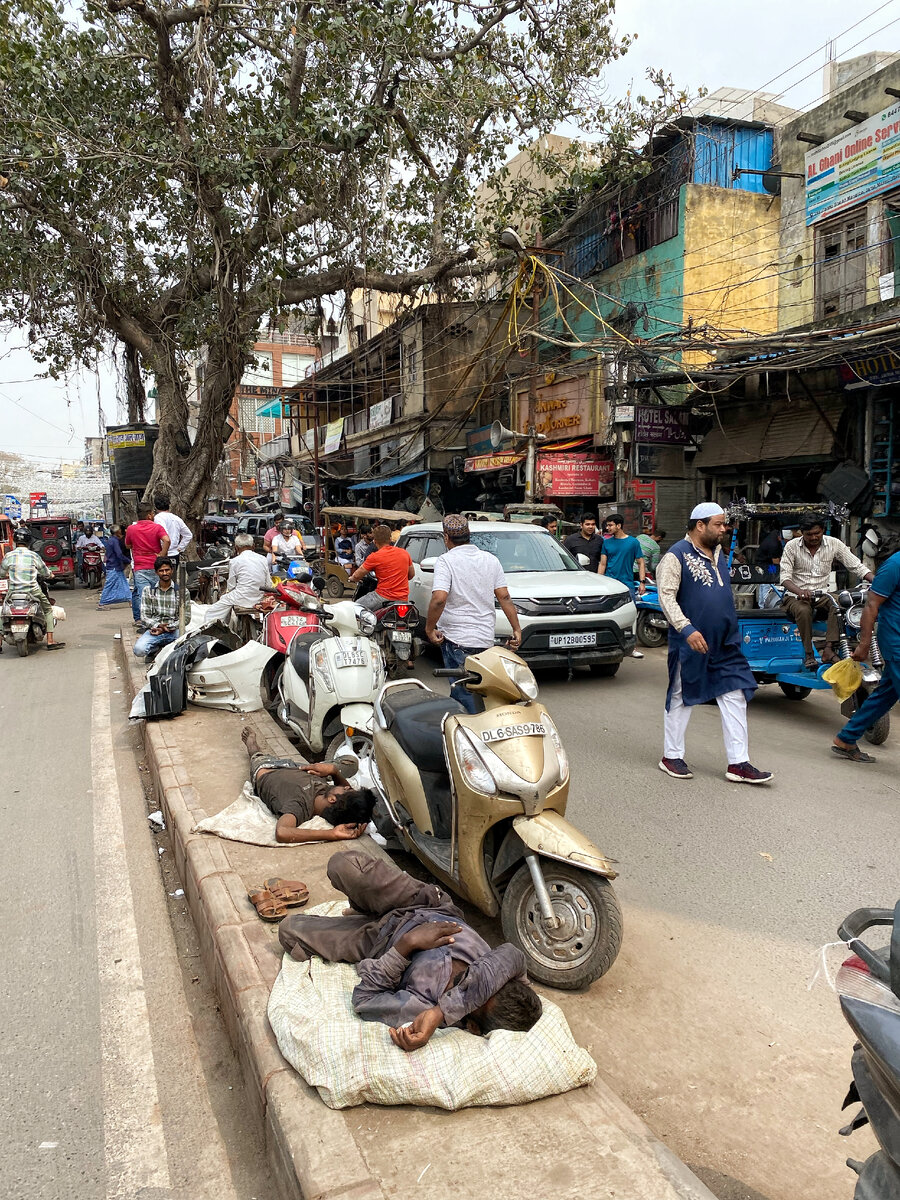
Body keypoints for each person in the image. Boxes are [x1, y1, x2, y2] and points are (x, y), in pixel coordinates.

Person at [278, 849, 542, 1051]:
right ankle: (364, 906)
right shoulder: (503, 968)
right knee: (342, 865)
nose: (471, 986)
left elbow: (365, 1000)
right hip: (424, 903)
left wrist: (407, 946)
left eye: (476, 1001)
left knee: (289, 931)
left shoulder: (423, 1009)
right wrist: (445, 1010)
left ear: (472, 1026)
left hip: (378, 940)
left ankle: (363, 914)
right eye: (484, 985)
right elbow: (510, 955)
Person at [656, 503, 772, 784]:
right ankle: (671, 756)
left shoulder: (721, 554)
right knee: (682, 695)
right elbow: (666, 597)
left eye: (724, 524)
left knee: (735, 694)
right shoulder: (675, 556)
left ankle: (738, 763)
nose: (724, 529)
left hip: (725, 642)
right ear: (700, 525)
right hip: (691, 641)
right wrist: (687, 629)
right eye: (718, 524)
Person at [424, 514, 522, 713]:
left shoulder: (446, 561)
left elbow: (439, 598)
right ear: (469, 535)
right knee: (484, 691)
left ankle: (470, 738)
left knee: (463, 695)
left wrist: (429, 628)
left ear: (446, 537)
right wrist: (517, 629)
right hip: (485, 640)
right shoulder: (490, 559)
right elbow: (504, 597)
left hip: (457, 640)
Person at [240, 726, 375, 841]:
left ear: (332, 799)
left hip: (267, 768)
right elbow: (348, 796)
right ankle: (325, 767)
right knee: (351, 762)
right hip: (301, 769)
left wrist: (331, 834)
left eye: (346, 790)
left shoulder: (299, 805)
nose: (346, 786)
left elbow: (282, 832)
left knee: (256, 755)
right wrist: (334, 771)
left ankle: (253, 748)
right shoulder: (328, 793)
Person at [831, 549, 900, 764]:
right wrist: (864, 644)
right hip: (897, 642)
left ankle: (846, 738)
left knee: (885, 694)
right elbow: (871, 605)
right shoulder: (894, 565)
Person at [780, 516, 873, 671]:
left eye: (817, 533)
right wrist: (800, 591)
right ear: (801, 533)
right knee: (803, 610)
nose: (814, 537)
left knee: (838, 603)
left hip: (822, 594)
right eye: (809, 534)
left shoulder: (833, 543)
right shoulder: (791, 547)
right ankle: (809, 654)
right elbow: (785, 578)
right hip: (795, 596)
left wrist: (876, 581)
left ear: (822, 530)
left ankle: (829, 649)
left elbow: (857, 566)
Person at [0, 528, 64, 649]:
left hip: (14, 592)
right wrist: (51, 575)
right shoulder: (34, 555)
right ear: (29, 541)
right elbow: (45, 572)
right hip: (33, 591)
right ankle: (50, 641)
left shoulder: (9, 556)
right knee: (48, 610)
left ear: (14, 540)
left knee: (3, 611)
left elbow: (1, 574)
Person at [600, 513, 646, 660]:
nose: (608, 528)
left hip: (627, 584)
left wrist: (642, 581)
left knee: (631, 616)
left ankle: (632, 648)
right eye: (607, 525)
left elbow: (641, 562)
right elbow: (603, 563)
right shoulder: (606, 542)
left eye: (610, 525)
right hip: (609, 584)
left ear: (619, 526)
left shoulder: (633, 542)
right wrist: (599, 583)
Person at [203, 533, 271, 624]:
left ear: (236, 548)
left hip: (241, 597)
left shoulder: (235, 561)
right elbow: (268, 584)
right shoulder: (263, 559)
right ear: (253, 546)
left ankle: (216, 628)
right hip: (259, 597)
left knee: (212, 612)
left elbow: (231, 586)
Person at [133, 556, 191, 659]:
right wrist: (158, 626)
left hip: (175, 631)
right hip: (155, 630)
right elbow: (144, 617)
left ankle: (164, 649)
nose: (165, 573)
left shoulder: (182, 592)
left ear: (172, 570)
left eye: (167, 570)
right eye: (161, 571)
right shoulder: (148, 590)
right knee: (139, 650)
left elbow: (186, 618)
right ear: (156, 573)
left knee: (187, 648)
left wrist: (167, 628)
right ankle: (156, 649)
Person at [348, 524, 414, 611]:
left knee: (353, 608)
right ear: (390, 539)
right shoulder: (405, 553)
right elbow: (411, 575)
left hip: (382, 597)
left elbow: (357, 575)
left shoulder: (374, 557)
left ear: (374, 541)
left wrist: (352, 578)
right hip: (403, 599)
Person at [125, 503, 170, 624]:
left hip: (140, 567)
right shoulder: (157, 527)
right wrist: (162, 554)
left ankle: (145, 622)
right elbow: (167, 540)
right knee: (158, 594)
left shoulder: (131, 529)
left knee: (143, 596)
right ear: (149, 515)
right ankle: (159, 620)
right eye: (153, 513)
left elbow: (127, 545)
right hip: (156, 566)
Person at [97, 525, 132, 608]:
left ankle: (130, 600)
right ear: (117, 532)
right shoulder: (114, 541)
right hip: (114, 566)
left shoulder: (111, 540)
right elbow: (119, 554)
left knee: (124, 584)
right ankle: (102, 603)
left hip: (115, 566)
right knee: (109, 584)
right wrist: (128, 560)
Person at [153, 493, 193, 561]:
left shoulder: (157, 518)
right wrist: (180, 548)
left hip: (164, 554)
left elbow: (164, 536)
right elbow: (188, 535)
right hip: (175, 554)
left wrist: (162, 552)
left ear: (155, 506)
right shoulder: (176, 518)